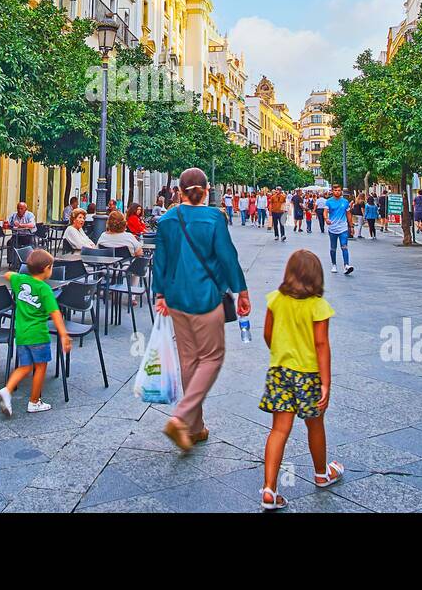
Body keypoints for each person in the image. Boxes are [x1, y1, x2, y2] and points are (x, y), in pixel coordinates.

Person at [152, 167, 250, 453]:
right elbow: (227, 257)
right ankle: (182, 416)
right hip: (207, 298)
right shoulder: (214, 218)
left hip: (176, 299)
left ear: (178, 192)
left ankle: (195, 429)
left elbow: (161, 261)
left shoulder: (168, 219)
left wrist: (160, 294)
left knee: (189, 360)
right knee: (212, 357)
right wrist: (240, 290)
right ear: (207, 191)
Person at [259, 249, 342, 511]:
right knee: (315, 425)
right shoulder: (318, 306)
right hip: (308, 374)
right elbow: (321, 345)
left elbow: (268, 334)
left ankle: (270, 489)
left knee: (279, 429)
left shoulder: (275, 299)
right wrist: (325, 382)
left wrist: (280, 353)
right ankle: (321, 473)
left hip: (280, 371)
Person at [0, 248, 70, 415]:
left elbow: (8, 275)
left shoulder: (20, 281)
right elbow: (55, 314)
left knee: (25, 366)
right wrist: (64, 334)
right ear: (46, 269)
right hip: (38, 335)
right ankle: (34, 401)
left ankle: (7, 390)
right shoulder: (44, 289)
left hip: (22, 334)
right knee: (40, 368)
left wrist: (14, 276)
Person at [324, 184, 355, 276]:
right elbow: (325, 212)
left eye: (339, 190)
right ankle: (334, 264)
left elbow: (348, 214)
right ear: (332, 191)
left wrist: (351, 226)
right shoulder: (329, 202)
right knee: (333, 248)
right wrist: (326, 219)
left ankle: (346, 265)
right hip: (333, 228)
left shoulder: (345, 202)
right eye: (336, 190)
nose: (337, 192)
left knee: (344, 246)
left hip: (343, 228)